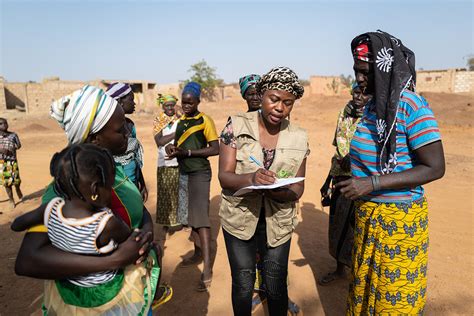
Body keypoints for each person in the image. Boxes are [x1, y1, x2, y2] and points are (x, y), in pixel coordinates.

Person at [12, 85, 171, 314]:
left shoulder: (110, 170)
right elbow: (28, 260)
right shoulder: (65, 191)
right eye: (120, 129)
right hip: (96, 305)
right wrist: (113, 261)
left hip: (130, 296)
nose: (128, 132)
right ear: (96, 138)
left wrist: (145, 229)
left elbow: (135, 208)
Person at [337, 31, 445, 314]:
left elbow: (435, 167)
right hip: (368, 218)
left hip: (400, 224)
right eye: (355, 71)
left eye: (364, 71)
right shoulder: (373, 107)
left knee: (393, 302)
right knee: (366, 294)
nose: (359, 79)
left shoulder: (412, 106)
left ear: (383, 68)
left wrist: (372, 182)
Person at [219, 66, 308, 316]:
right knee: (244, 283)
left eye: (288, 103)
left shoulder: (299, 137)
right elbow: (225, 177)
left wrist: (276, 192)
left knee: (276, 283)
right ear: (262, 95)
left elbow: (298, 188)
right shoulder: (235, 126)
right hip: (239, 218)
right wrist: (252, 178)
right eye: (274, 99)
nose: (280, 108)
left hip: (277, 220)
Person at [165, 82, 219, 291]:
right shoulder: (181, 122)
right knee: (190, 218)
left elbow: (215, 149)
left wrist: (187, 153)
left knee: (202, 220)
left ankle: (207, 268)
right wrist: (173, 148)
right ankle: (197, 254)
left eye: (190, 102)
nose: (186, 106)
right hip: (184, 172)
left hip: (199, 173)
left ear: (198, 101)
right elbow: (181, 146)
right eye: (184, 102)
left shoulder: (205, 120)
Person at [318, 83, 372, 285]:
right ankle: (340, 269)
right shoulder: (344, 113)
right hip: (340, 178)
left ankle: (358, 273)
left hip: (363, 181)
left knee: (357, 228)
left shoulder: (375, 117)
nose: (358, 97)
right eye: (355, 92)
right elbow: (337, 150)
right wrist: (328, 179)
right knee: (338, 225)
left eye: (364, 93)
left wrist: (356, 159)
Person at [106, 82, 148, 202]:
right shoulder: (107, 129)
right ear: (119, 101)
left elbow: (134, 157)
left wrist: (142, 183)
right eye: (131, 99)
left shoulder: (130, 125)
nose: (134, 103)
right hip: (117, 184)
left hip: (133, 181)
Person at [154, 94, 182, 236]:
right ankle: (165, 223)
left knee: (179, 192)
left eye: (172, 105)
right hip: (164, 161)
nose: (170, 108)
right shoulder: (159, 119)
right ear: (162, 106)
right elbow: (159, 141)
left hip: (180, 160)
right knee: (165, 194)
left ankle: (180, 221)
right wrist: (175, 135)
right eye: (167, 105)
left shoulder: (180, 118)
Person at [0, 117, 23, 209]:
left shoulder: (13, 135)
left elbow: (19, 145)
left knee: (16, 180)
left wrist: (12, 148)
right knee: (7, 183)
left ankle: (18, 189)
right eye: (1, 124)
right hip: (2, 163)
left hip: (12, 161)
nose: (4, 125)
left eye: (5, 123)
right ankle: (11, 200)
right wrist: (1, 150)